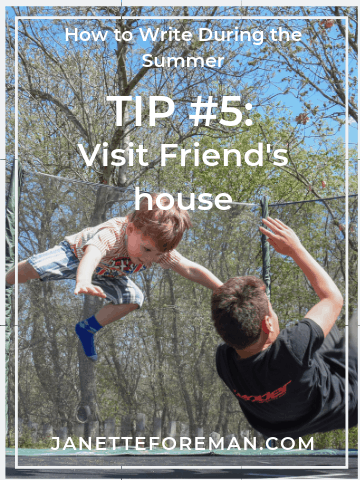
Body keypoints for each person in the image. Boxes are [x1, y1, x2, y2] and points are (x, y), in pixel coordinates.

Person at [6, 193, 223, 361]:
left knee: (134, 298)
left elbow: (189, 268)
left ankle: (87, 328)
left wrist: (220, 288)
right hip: (75, 256)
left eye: (157, 255)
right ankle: (5, 280)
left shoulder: (156, 250)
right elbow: (92, 254)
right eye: (147, 251)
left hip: (108, 274)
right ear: (130, 229)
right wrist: (83, 279)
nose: (149, 261)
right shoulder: (112, 234)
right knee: (34, 267)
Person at [212, 217, 357, 438]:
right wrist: (295, 249)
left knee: (322, 332)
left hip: (277, 427)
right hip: (346, 404)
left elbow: (228, 315)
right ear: (267, 324)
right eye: (271, 309)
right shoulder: (292, 348)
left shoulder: (225, 361)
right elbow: (333, 299)